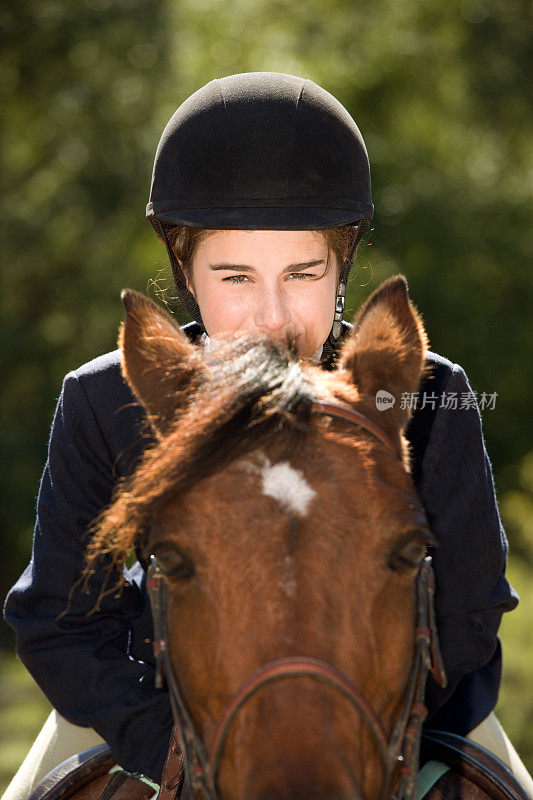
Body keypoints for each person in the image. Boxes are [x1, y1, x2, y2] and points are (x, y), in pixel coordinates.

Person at [3, 72, 532, 800]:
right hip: (144, 710)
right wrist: (173, 748)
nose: (274, 316)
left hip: (396, 710)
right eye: (236, 277)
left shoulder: (428, 392)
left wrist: (355, 723)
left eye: (303, 272)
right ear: (185, 270)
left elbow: (468, 608)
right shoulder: (105, 398)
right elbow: (57, 618)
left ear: (342, 265)